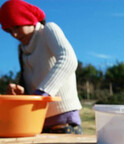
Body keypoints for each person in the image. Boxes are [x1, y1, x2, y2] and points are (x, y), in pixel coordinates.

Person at [0, 0, 82, 134]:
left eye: (17, 27)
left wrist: (42, 92)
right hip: (37, 122)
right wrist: (22, 95)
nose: (14, 34)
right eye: (9, 31)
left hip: (64, 121)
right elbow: (34, 90)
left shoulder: (49, 30)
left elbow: (69, 60)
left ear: (29, 19)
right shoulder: (22, 49)